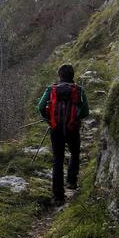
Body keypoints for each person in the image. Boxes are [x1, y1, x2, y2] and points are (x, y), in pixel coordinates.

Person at [38, 64, 89, 205]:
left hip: (56, 128)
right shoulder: (79, 90)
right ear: (72, 76)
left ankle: (58, 194)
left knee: (58, 159)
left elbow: (41, 107)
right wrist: (76, 118)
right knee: (75, 152)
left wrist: (48, 119)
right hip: (72, 128)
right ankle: (71, 182)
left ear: (60, 75)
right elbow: (86, 112)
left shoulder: (51, 89)